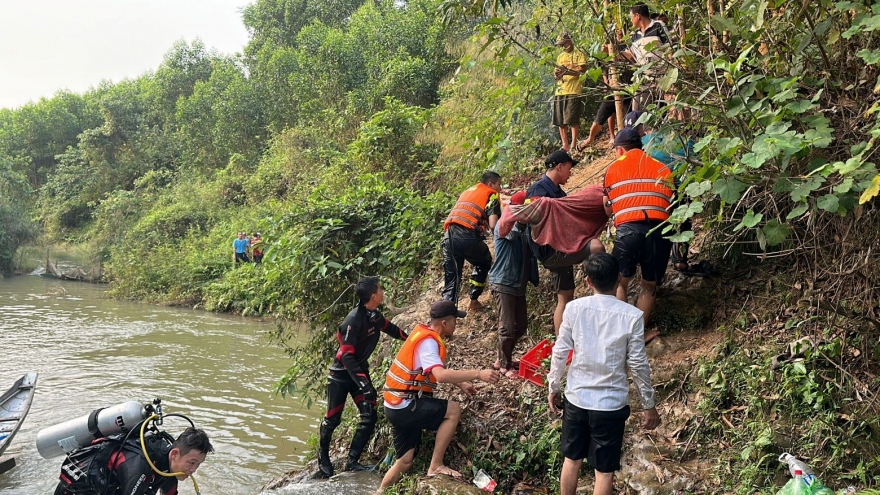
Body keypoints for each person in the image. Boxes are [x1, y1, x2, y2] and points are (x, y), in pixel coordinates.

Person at [547, 253, 660, 495]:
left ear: (588, 281)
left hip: (577, 399)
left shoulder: (574, 309)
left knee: (572, 460)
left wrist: (553, 386)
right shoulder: (632, 316)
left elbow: (560, 351)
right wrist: (648, 404)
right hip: (610, 405)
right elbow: (638, 364)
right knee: (604, 472)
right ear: (619, 279)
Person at [378, 300, 500, 490]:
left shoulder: (422, 334)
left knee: (405, 461)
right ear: (444, 323)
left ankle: (379, 492)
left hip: (394, 405)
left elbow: (431, 368)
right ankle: (435, 465)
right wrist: (478, 374)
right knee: (453, 410)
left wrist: (460, 383)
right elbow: (440, 375)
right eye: (455, 321)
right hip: (405, 405)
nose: (456, 325)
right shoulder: (428, 342)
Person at [317, 276, 408, 478]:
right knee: (332, 420)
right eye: (381, 289)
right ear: (374, 295)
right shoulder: (353, 321)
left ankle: (352, 462)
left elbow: (390, 328)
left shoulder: (373, 315)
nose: (383, 292)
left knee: (369, 415)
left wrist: (412, 340)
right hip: (340, 376)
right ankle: (323, 457)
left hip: (359, 372)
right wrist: (364, 383)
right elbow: (346, 356)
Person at [603, 127, 674, 342]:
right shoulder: (663, 168)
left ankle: (620, 335)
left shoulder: (613, 169)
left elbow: (608, 207)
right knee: (649, 285)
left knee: (618, 283)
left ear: (621, 150)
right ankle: (637, 335)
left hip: (629, 231)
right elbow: (671, 204)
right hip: (660, 231)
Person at [527, 150, 605, 335]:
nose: (570, 174)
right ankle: (602, 291)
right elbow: (534, 219)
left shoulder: (558, 192)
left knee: (565, 297)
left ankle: (560, 345)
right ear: (559, 167)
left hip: (561, 248)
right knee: (596, 247)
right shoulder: (538, 190)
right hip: (552, 251)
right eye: (569, 169)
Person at [54, 427, 213, 495]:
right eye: (192, 462)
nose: (193, 470)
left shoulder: (169, 468)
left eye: (198, 464)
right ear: (175, 454)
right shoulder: (140, 466)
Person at [488, 191, 538, 377]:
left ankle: (503, 356)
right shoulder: (504, 225)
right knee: (507, 327)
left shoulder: (524, 228)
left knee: (521, 325)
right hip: (503, 282)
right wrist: (524, 219)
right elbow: (511, 234)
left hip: (518, 283)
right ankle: (504, 366)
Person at [441, 171, 502, 311]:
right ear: (490, 184)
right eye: (499, 184)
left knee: (452, 282)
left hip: (449, 236)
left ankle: (445, 323)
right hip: (467, 236)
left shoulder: (469, 191)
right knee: (484, 261)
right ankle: (473, 300)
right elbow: (493, 224)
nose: (500, 188)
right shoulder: (491, 194)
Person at [620, 3, 670, 111]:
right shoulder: (635, 35)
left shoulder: (658, 26)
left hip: (661, 75)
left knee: (667, 108)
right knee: (640, 111)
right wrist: (614, 52)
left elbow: (669, 48)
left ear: (638, 16)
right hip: (643, 78)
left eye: (631, 17)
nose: (631, 20)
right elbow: (631, 55)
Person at [552, 32, 588, 152]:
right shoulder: (560, 57)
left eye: (564, 44)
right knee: (561, 120)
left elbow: (582, 71)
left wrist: (567, 72)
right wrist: (557, 74)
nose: (562, 47)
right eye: (561, 45)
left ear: (569, 41)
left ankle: (573, 144)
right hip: (560, 90)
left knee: (572, 118)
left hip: (574, 90)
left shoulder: (579, 54)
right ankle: (565, 144)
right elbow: (556, 73)